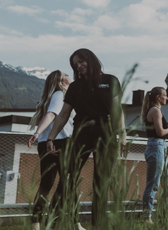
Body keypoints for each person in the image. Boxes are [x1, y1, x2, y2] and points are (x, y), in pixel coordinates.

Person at [47, 49, 127, 227]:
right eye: (75, 64)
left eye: (81, 61)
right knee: (67, 177)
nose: (79, 66)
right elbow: (63, 114)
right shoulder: (75, 86)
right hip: (81, 132)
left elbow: (117, 110)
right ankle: (50, 222)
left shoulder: (110, 81)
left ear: (91, 60)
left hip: (105, 132)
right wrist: (50, 138)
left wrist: (122, 133)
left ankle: (97, 225)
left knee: (101, 183)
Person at [27, 70, 83, 230]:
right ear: (61, 81)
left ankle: (36, 224)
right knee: (69, 184)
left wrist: (40, 136)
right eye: (65, 74)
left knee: (46, 184)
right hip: (61, 142)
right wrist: (37, 132)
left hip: (46, 144)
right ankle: (75, 224)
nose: (69, 75)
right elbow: (52, 115)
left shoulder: (52, 96)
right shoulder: (60, 94)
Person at [141, 87, 168, 222]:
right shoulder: (155, 111)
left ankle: (163, 212)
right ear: (158, 97)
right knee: (153, 184)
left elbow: (158, 131)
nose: (167, 98)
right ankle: (146, 218)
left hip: (160, 147)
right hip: (156, 148)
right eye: (165, 95)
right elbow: (160, 133)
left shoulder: (157, 111)